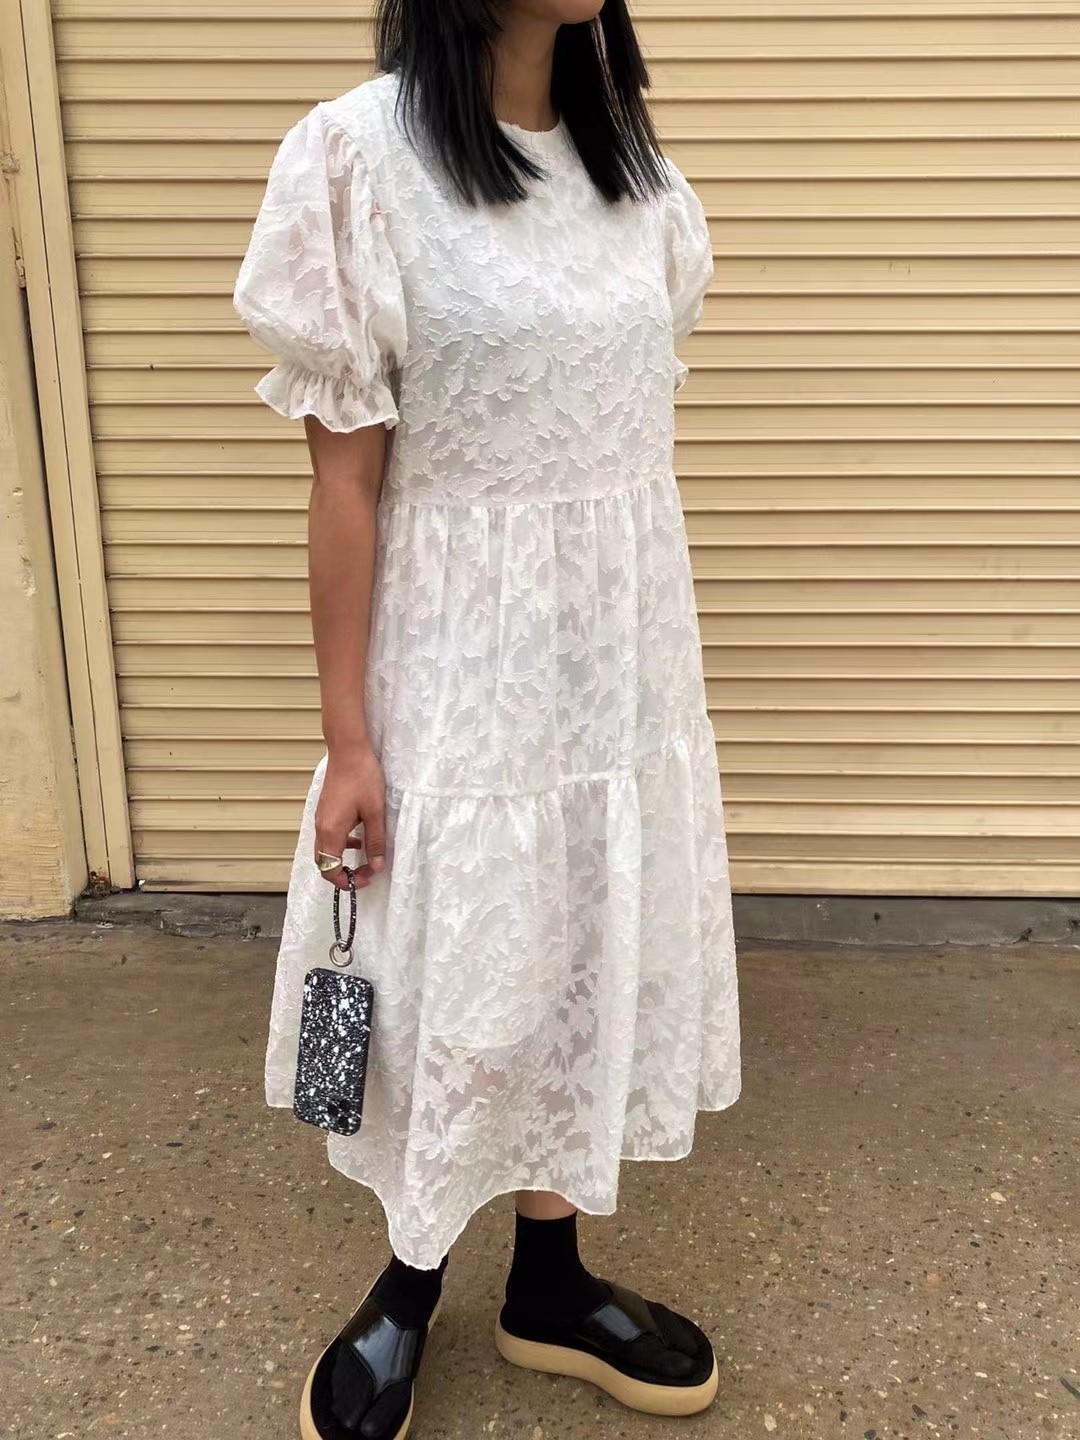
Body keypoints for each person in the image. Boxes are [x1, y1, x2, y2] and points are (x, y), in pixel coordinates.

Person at [232, 1, 741, 1435]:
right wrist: (347, 738)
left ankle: (551, 1283)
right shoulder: (359, 160)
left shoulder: (631, 168)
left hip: (616, 671)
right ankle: (410, 1280)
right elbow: (344, 483)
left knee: (578, 935)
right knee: (461, 964)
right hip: (457, 672)